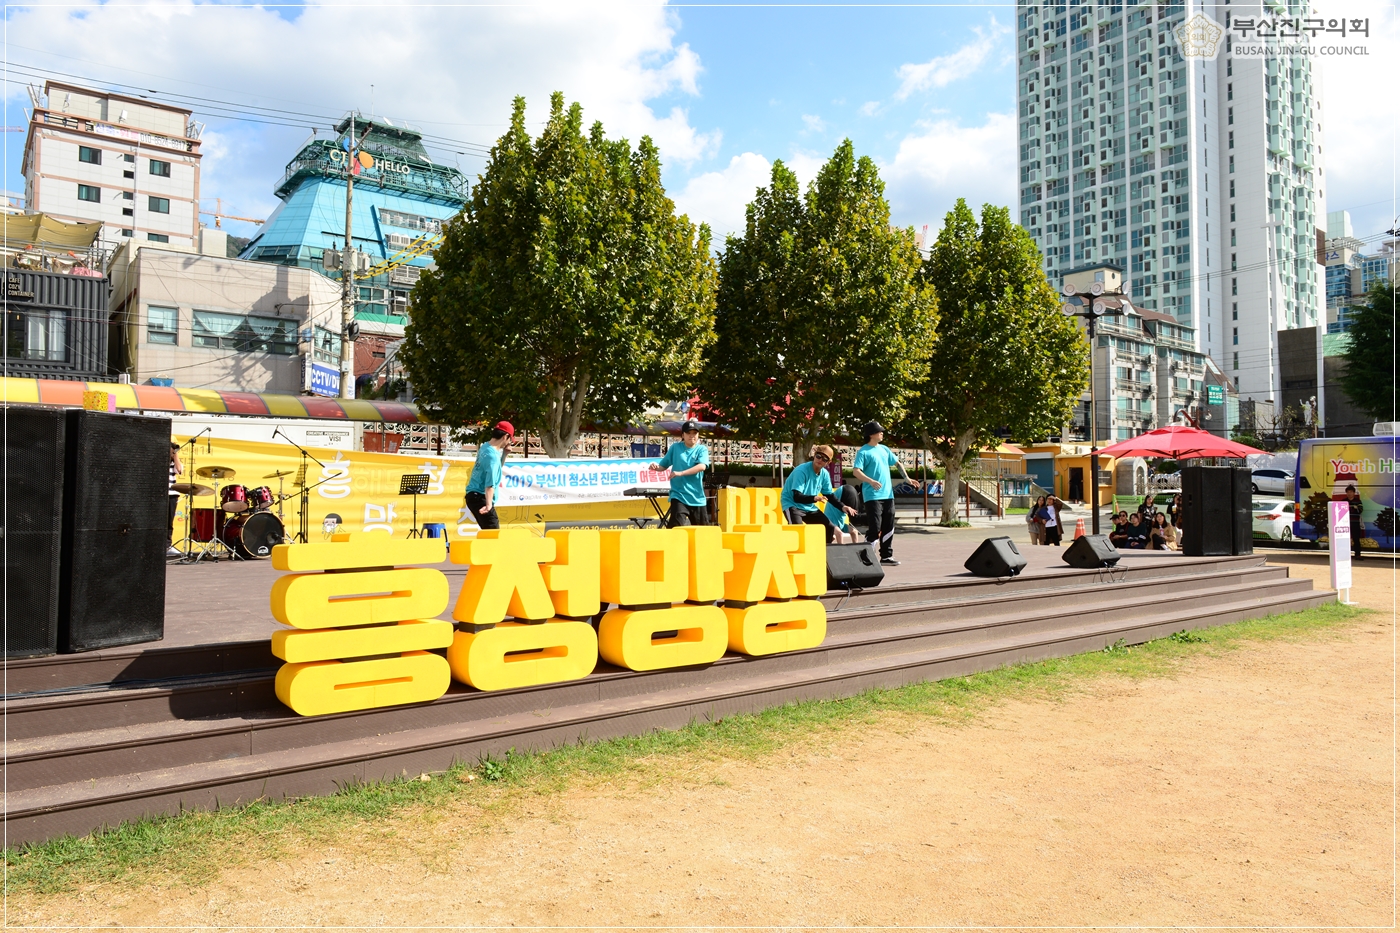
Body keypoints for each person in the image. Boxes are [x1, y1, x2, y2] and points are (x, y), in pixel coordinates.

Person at [852, 421, 920, 566]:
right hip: (873, 496)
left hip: (888, 495)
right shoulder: (863, 452)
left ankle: (886, 556)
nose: (882, 433)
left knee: (888, 526)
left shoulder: (884, 449)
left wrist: (907, 479)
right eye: (879, 431)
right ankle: (865, 557)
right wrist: (871, 481)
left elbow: (897, 463)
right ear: (871, 434)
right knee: (875, 528)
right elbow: (856, 471)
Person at [781, 445, 856, 543]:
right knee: (798, 531)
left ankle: (825, 550)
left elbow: (830, 496)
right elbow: (796, 497)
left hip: (809, 506)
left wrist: (843, 507)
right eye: (818, 456)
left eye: (824, 459)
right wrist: (815, 498)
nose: (820, 460)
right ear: (814, 455)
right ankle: (795, 551)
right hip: (792, 504)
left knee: (829, 527)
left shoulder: (824, 474)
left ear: (828, 462)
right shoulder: (801, 471)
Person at [650, 420, 711, 526]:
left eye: (694, 433)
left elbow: (702, 466)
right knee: (676, 529)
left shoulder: (702, 449)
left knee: (702, 532)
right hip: (679, 495)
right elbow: (663, 465)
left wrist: (681, 473)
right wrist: (655, 467)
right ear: (682, 435)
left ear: (698, 435)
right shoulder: (675, 447)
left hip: (697, 497)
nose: (692, 436)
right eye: (688, 433)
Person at [465, 421, 514, 531]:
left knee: (489, 532)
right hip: (480, 497)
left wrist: (504, 454)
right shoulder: (493, 457)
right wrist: (488, 505)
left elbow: (496, 469)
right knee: (493, 531)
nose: (509, 442)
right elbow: (489, 485)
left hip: (474, 495)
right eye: (510, 439)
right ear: (505, 436)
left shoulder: (485, 447)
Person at [167, 441, 184, 558]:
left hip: (172, 494)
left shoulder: (174, 463)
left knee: (169, 521)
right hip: (159, 495)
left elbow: (179, 470)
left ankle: (167, 545)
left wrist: (175, 455)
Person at [1345, 484, 1364, 560]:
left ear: (1354, 493)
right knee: (1344, 539)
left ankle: (1357, 554)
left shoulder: (1358, 501)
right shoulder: (1343, 501)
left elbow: (1361, 510)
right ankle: (1344, 555)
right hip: (1345, 523)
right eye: (1348, 492)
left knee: (1356, 539)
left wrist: (1356, 508)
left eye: (1351, 492)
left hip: (1355, 523)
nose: (1349, 493)